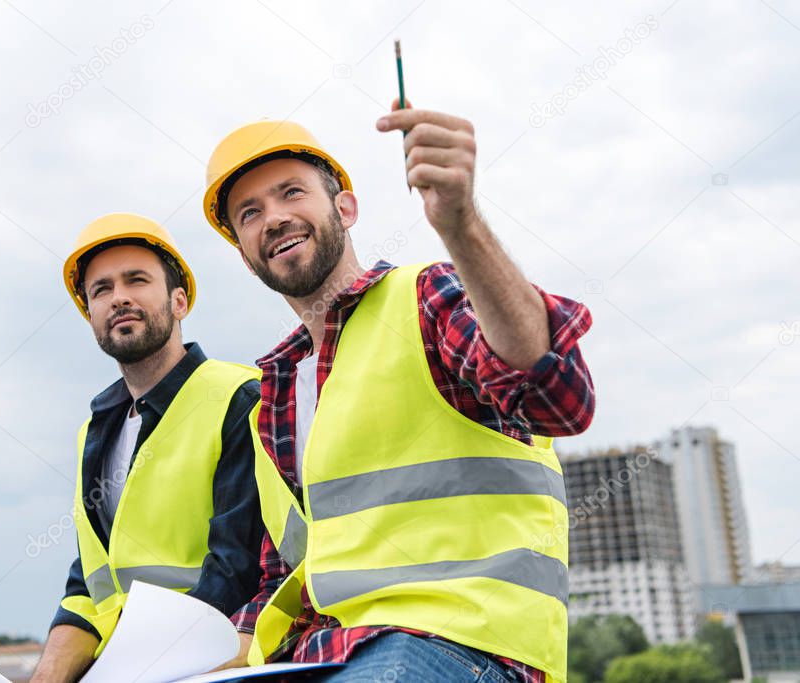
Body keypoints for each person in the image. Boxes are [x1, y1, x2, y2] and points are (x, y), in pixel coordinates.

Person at [201, 105, 595, 682]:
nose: (275, 218)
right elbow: (284, 575)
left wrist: (461, 227)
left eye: (292, 193)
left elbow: (558, 395)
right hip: (326, 654)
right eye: (251, 213)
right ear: (243, 251)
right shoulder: (273, 399)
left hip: (465, 644)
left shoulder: (424, 299)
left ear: (345, 207)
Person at [30, 213, 263, 682]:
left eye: (137, 280)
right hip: (129, 664)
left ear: (180, 301)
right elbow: (89, 585)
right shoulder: (94, 432)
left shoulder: (239, 397)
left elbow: (236, 572)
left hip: (209, 661)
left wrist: (133, 669)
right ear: (91, 316)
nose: (119, 297)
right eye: (101, 290)